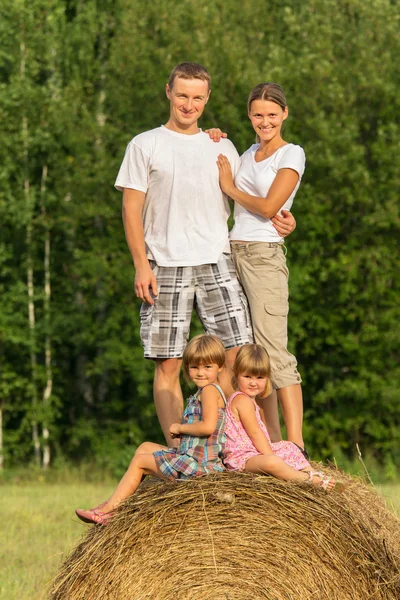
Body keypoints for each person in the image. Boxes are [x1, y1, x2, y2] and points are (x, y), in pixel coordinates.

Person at [114, 63, 296, 448]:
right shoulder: (144, 144)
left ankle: (251, 450)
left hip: (218, 260)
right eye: (182, 95)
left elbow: (257, 195)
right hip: (163, 265)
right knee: (169, 364)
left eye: (197, 97)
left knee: (240, 360)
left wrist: (284, 219)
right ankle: (182, 459)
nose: (189, 104)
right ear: (168, 92)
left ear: (207, 99)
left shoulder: (222, 145)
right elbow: (131, 210)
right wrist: (140, 264)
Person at [215, 82, 307, 455]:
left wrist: (229, 187)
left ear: (284, 114)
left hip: (264, 256)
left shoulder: (291, 154)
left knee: (274, 352)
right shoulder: (247, 151)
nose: (264, 121)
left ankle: (296, 443)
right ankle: (267, 441)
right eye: (257, 115)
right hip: (233, 252)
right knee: (246, 354)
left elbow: (270, 208)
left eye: (272, 114)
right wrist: (214, 137)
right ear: (249, 116)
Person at [75, 334, 227, 525]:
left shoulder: (210, 391)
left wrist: (181, 427)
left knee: (140, 461)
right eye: (194, 367)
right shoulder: (205, 391)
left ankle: (109, 512)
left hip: (201, 469)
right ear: (187, 367)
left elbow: (208, 426)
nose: (200, 372)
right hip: (192, 459)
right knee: (145, 447)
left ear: (220, 367)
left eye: (207, 367)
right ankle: (119, 501)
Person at [224, 344, 338, 491]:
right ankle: (308, 480)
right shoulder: (242, 400)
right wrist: (272, 456)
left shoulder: (249, 400)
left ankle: (311, 472)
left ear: (267, 378)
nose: (253, 382)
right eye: (247, 376)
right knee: (272, 462)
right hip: (242, 459)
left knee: (290, 446)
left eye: (259, 377)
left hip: (254, 453)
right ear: (237, 374)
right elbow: (255, 433)